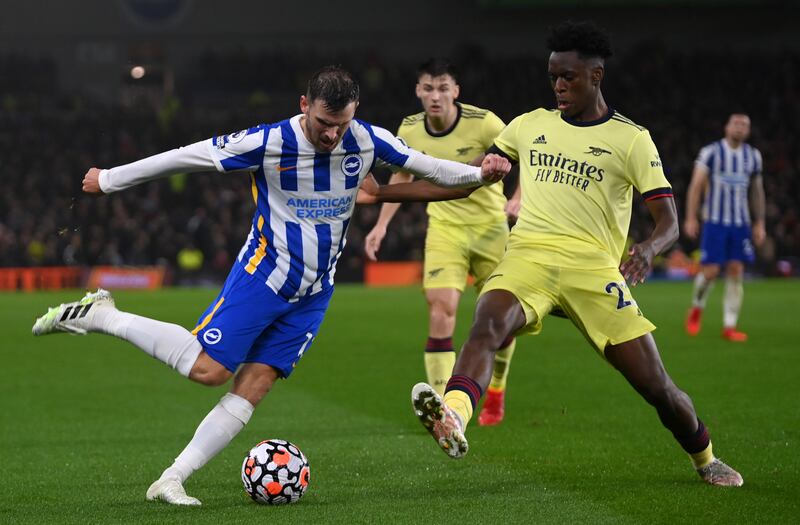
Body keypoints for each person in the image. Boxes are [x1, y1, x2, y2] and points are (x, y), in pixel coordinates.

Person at [31, 66, 512, 506]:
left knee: (255, 384)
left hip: (315, 292)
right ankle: (103, 314)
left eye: (341, 124)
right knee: (208, 371)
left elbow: (426, 165)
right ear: (304, 105)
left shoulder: (365, 140)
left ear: (355, 114)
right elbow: (188, 156)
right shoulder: (267, 142)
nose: (331, 134)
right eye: (324, 121)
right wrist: (111, 178)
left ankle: (172, 478)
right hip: (264, 276)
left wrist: (479, 173)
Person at [397, 21, 743, 486]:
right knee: (487, 323)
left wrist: (648, 247)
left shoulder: (631, 139)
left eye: (569, 77)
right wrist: (487, 167)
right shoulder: (529, 124)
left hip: (593, 268)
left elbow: (670, 222)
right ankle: (455, 416)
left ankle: (706, 457)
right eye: (553, 77)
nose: (559, 86)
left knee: (655, 385)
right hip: (529, 257)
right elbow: (479, 170)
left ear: (596, 76)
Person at [364, 58, 520, 426]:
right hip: (444, 230)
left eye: (443, 87)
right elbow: (403, 173)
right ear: (418, 91)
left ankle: (496, 388)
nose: (436, 95)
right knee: (441, 308)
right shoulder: (409, 129)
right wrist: (381, 224)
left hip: (490, 227)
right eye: (428, 88)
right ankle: (443, 410)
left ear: (456, 91)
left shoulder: (485, 123)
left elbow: (522, 156)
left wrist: (518, 198)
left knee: (501, 318)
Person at [684, 113, 765, 342]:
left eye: (745, 125)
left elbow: (757, 191)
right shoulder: (711, 152)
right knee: (710, 272)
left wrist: (759, 222)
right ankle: (697, 307)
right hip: (715, 222)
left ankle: (729, 326)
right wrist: (691, 217)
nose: (740, 128)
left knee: (736, 272)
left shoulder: (753, 156)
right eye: (736, 124)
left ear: (748, 131)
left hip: (741, 224)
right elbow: (696, 185)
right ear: (726, 127)